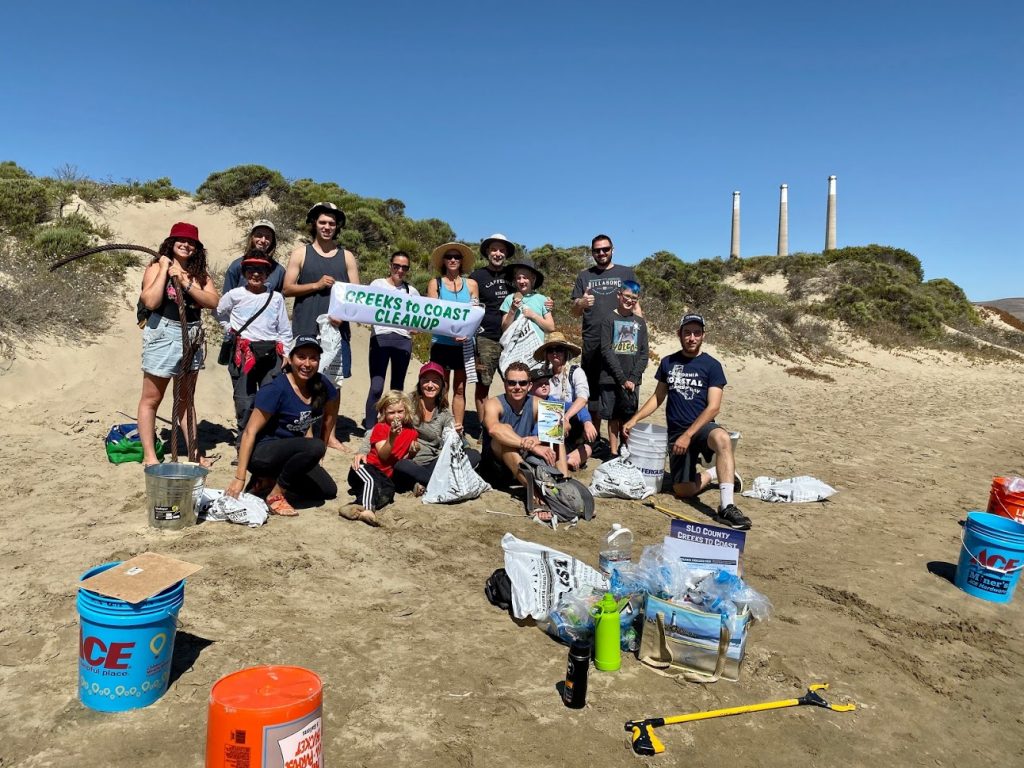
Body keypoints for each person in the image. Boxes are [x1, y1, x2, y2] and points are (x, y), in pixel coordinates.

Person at [623, 314, 751, 530]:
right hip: (677, 433)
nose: (692, 337)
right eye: (687, 333)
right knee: (683, 491)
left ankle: (727, 506)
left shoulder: (712, 365)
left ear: (703, 336)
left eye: (696, 333)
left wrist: (689, 434)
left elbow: (714, 407)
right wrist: (634, 419)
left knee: (722, 438)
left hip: (701, 429)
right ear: (679, 335)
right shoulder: (668, 363)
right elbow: (657, 397)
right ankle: (713, 473)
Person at [226, 336, 342, 516]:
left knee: (327, 491)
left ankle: (268, 481)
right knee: (315, 446)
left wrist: (319, 448)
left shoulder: (321, 384)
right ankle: (276, 495)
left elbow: (330, 411)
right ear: (290, 358)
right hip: (262, 455)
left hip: (291, 454)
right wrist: (239, 478)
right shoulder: (276, 388)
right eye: (301, 357)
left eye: (313, 358)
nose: (307, 364)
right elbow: (249, 432)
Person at [137, 222, 219, 467]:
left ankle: (194, 453)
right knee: (152, 397)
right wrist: (164, 269)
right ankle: (150, 456)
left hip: (191, 336)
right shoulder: (155, 267)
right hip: (164, 333)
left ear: (197, 247)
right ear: (171, 243)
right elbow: (150, 301)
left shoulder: (199, 275)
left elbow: (213, 300)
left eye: (191, 242)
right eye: (180, 240)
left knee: (185, 399)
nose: (185, 245)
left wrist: (185, 283)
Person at [215, 254, 291, 458]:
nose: (256, 274)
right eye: (251, 270)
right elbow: (219, 312)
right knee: (244, 401)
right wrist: (230, 328)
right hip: (243, 353)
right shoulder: (234, 295)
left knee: (269, 400)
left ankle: (265, 444)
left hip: (271, 354)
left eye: (261, 271)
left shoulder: (275, 297)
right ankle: (243, 447)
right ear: (244, 273)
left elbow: (284, 327)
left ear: (267, 274)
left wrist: (287, 352)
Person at [570, 234, 641, 441]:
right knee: (592, 391)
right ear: (592, 252)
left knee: (622, 391)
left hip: (622, 340)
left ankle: (624, 441)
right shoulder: (585, 276)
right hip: (593, 341)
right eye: (597, 250)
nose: (601, 253)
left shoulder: (626, 272)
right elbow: (574, 311)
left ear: (612, 250)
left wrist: (640, 333)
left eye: (605, 249)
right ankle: (592, 439)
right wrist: (582, 303)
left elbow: (635, 304)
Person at [283, 202, 360, 382]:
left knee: (333, 384)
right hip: (305, 328)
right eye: (323, 222)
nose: (327, 227)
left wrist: (344, 317)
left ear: (337, 226)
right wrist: (315, 285)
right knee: (302, 380)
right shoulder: (300, 253)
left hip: (337, 331)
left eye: (331, 224)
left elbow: (357, 297)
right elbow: (287, 288)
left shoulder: (347, 256)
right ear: (314, 224)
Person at [482, 360, 558, 522]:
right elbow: (494, 429)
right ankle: (534, 494)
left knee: (555, 438)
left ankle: (561, 482)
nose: (517, 387)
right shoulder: (493, 404)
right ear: (505, 384)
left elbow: (562, 426)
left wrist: (538, 439)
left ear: (529, 385)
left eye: (522, 383)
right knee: (505, 435)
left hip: (524, 463)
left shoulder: (535, 403)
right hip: (496, 469)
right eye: (512, 383)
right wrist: (528, 444)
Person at [343, 391, 420, 526]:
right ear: (384, 413)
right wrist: (392, 437)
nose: (396, 416)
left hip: (384, 476)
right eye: (391, 413)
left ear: (406, 411)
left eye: (400, 411)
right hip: (365, 467)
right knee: (370, 481)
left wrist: (413, 452)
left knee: (388, 492)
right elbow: (383, 456)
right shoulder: (381, 428)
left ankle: (354, 507)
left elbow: (402, 459)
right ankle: (366, 509)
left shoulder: (412, 432)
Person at [363, 251, 420, 432]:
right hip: (380, 339)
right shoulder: (377, 284)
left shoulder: (412, 291)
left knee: (397, 387)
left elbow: (419, 317)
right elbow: (366, 307)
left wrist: (416, 327)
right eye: (397, 266)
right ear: (390, 266)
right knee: (376, 387)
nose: (400, 270)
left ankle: (394, 426)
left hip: (403, 341)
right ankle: (370, 428)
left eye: (404, 267)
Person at [426, 242, 479, 431]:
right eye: (449, 257)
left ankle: (458, 427)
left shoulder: (471, 284)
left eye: (457, 257)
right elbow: (432, 315)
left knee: (460, 388)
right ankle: (443, 426)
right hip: (441, 342)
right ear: (444, 261)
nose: (453, 260)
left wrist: (466, 333)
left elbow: (475, 314)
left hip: (464, 345)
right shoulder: (436, 283)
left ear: (462, 261)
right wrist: (452, 332)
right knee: (443, 386)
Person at [533, 332, 597, 471]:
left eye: (559, 349)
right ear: (546, 354)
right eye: (551, 350)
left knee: (587, 449)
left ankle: (565, 458)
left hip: (573, 420)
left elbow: (582, 398)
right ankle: (565, 459)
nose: (555, 353)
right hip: (549, 419)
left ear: (566, 352)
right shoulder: (544, 375)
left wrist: (572, 418)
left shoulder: (575, 372)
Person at [599, 280, 649, 456]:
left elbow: (644, 353)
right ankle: (613, 453)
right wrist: (621, 379)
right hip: (611, 378)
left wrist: (633, 378)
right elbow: (606, 350)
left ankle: (626, 449)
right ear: (619, 295)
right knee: (613, 416)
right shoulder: (609, 319)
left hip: (632, 380)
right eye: (627, 296)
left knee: (628, 416)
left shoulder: (640, 323)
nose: (629, 300)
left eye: (634, 298)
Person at [469, 234, 515, 423]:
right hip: (485, 337)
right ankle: (484, 428)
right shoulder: (476, 276)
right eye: (494, 249)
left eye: (502, 250)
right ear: (487, 252)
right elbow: (470, 305)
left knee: (514, 382)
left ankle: (512, 423)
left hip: (512, 337)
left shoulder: (512, 275)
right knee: (483, 384)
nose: (498, 253)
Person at [500, 255, 555, 344]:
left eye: (525, 278)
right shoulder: (509, 299)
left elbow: (551, 327)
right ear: (515, 280)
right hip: (513, 350)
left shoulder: (542, 299)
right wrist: (512, 310)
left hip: (536, 349)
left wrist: (533, 315)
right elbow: (505, 329)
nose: (521, 281)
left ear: (533, 279)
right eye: (518, 278)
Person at [222, 220, 285, 294]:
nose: (263, 240)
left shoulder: (279, 271)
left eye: (268, 237)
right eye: (259, 235)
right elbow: (227, 297)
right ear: (252, 237)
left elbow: (279, 301)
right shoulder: (237, 265)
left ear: (272, 241)